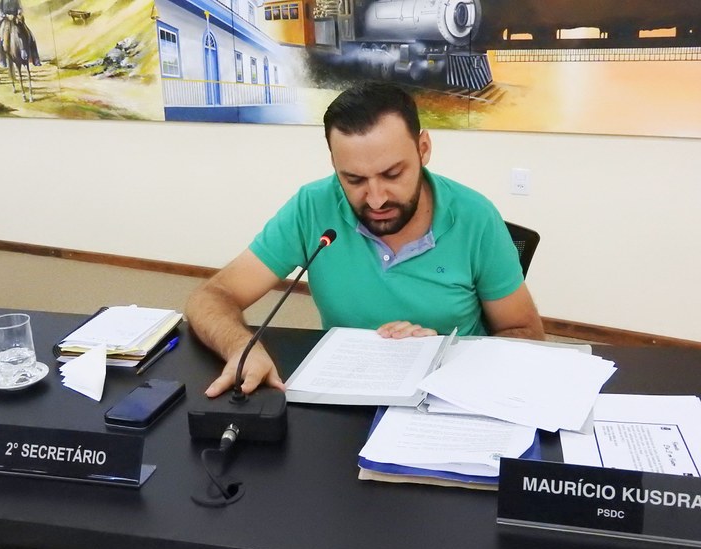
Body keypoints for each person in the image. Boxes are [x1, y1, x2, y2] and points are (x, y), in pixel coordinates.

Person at [186, 81, 544, 399]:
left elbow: (526, 331)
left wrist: (442, 353)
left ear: (423, 149)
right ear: (334, 163)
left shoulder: (475, 217)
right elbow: (212, 296)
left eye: (392, 174)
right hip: (345, 395)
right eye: (354, 180)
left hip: (449, 395)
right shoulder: (312, 207)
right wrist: (240, 346)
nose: (375, 200)